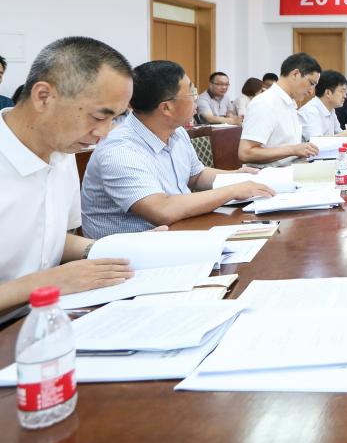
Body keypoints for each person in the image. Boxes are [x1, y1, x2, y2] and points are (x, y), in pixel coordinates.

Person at [0, 37, 136, 310]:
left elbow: (48, 239)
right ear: (43, 97)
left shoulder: (63, 152)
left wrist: (118, 250)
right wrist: (44, 282)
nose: (104, 133)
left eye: (115, 119)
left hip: (50, 314)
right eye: (99, 117)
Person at [81, 61, 276, 238]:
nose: (196, 98)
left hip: (180, 231)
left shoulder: (177, 132)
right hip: (129, 253)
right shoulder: (120, 150)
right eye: (192, 92)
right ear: (166, 108)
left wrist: (238, 176)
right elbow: (162, 210)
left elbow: (196, 176)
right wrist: (233, 190)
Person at [239, 54, 321, 166]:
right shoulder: (265, 103)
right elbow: (245, 153)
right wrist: (292, 150)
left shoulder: (290, 103)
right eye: (311, 83)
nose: (311, 91)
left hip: (290, 169)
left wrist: (301, 150)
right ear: (295, 74)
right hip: (268, 173)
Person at [299, 70, 347, 140]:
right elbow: (316, 142)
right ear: (328, 93)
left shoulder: (331, 109)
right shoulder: (310, 111)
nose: (345, 96)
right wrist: (346, 135)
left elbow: (339, 132)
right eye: (341, 91)